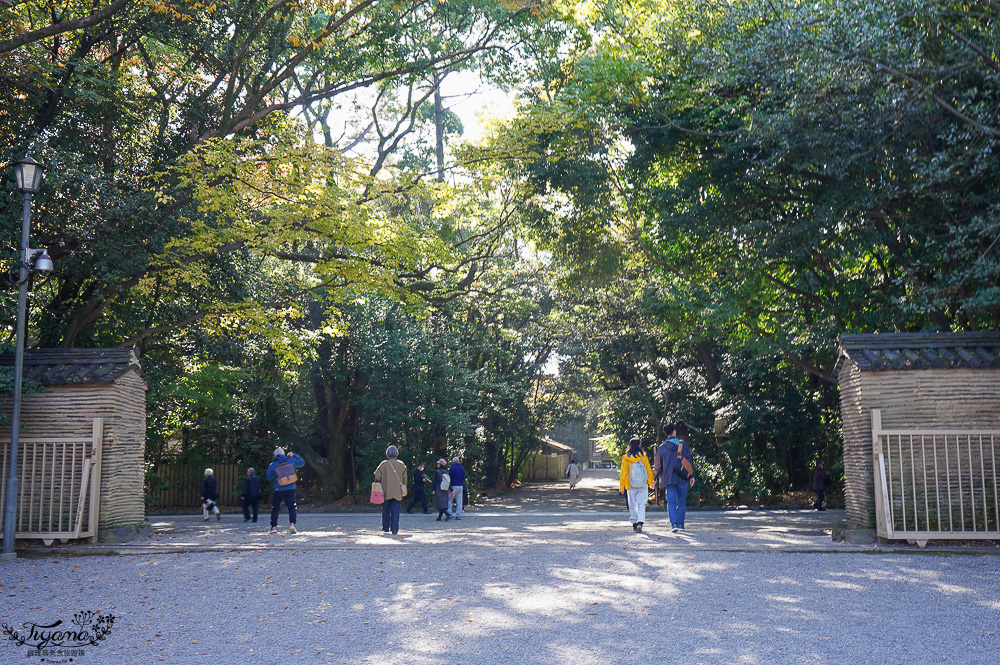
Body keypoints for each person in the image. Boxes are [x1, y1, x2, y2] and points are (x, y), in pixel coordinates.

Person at [655, 423, 695, 532]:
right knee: (681, 502)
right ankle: (681, 525)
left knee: (671, 502)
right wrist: (691, 476)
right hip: (682, 477)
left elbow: (658, 466)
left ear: (665, 433)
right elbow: (688, 462)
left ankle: (674, 524)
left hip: (668, 479)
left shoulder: (662, 448)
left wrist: (654, 479)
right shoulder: (682, 445)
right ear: (674, 432)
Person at [265, 447, 305, 534]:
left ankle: (274, 527)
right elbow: (302, 462)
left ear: (275, 455)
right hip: (291, 488)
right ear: (284, 454)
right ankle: (292, 524)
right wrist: (294, 455)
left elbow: (267, 477)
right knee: (291, 507)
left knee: (275, 508)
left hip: (278, 488)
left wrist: (274, 476)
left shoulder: (273, 464)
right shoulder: (291, 461)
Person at [619, 439, 654, 533]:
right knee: (641, 503)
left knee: (632, 504)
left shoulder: (626, 458)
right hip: (643, 483)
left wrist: (621, 486)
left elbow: (623, 473)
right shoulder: (643, 457)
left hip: (630, 484)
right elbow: (648, 470)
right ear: (639, 445)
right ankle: (640, 522)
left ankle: (634, 522)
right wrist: (651, 482)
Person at [374, 446, 408, 535]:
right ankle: (395, 529)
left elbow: (377, 476)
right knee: (395, 511)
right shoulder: (401, 465)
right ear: (397, 454)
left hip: (385, 491)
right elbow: (405, 480)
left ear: (387, 454)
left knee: (385, 510)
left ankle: (385, 527)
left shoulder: (383, 464)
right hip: (397, 492)